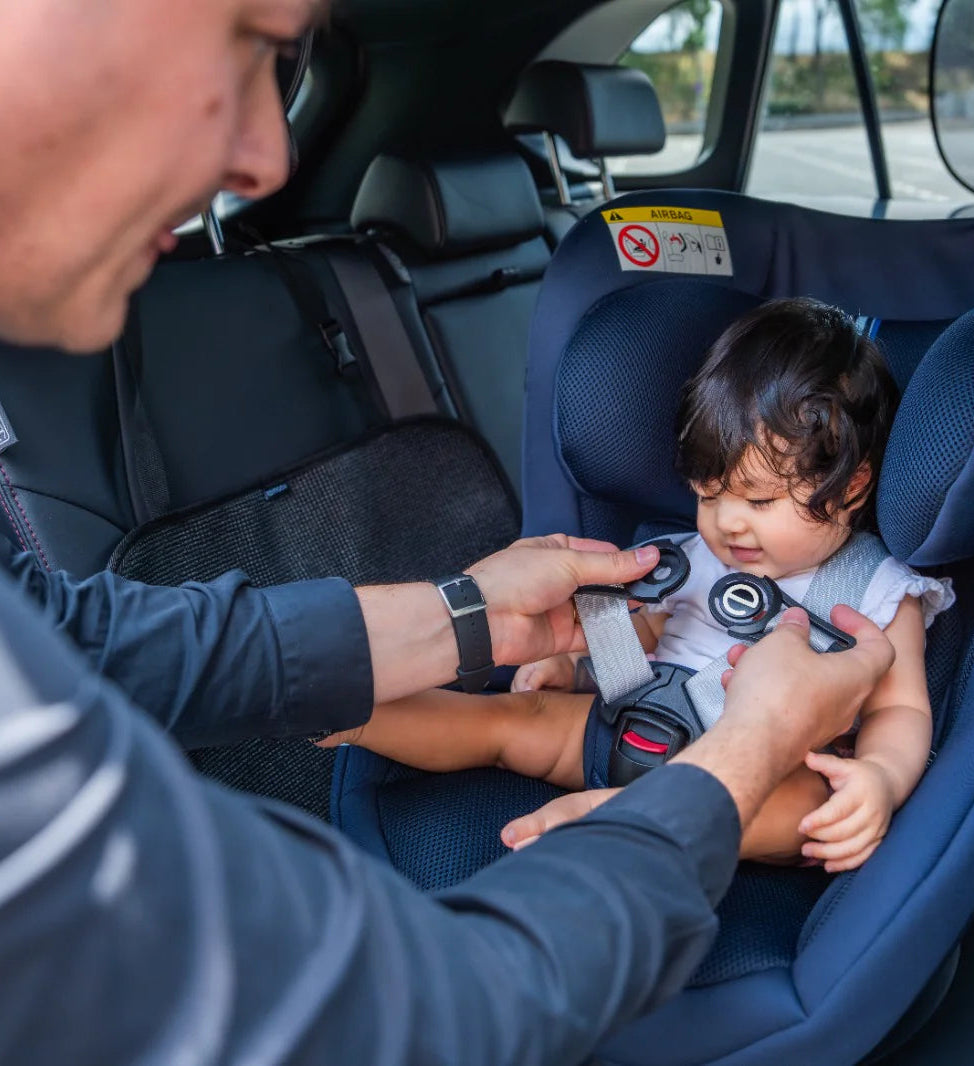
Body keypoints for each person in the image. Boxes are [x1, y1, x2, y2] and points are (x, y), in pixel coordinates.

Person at [0, 3, 895, 1063]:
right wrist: (744, 749)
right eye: (249, 42)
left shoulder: (875, 594)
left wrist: (466, 615)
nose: (265, 154)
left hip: (686, 765)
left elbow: (64, 632)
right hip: (652, 781)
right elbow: (428, 1023)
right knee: (504, 733)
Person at [323, 299, 952, 871]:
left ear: (851, 487)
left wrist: (878, 777)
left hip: (759, 780)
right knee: (510, 721)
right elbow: (638, 634)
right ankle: (344, 710)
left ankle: (612, 822)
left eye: (759, 500)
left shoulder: (878, 592)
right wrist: (574, 667)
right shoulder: (690, 554)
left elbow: (900, 709)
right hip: (626, 724)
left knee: (806, 814)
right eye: (709, 495)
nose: (728, 522)